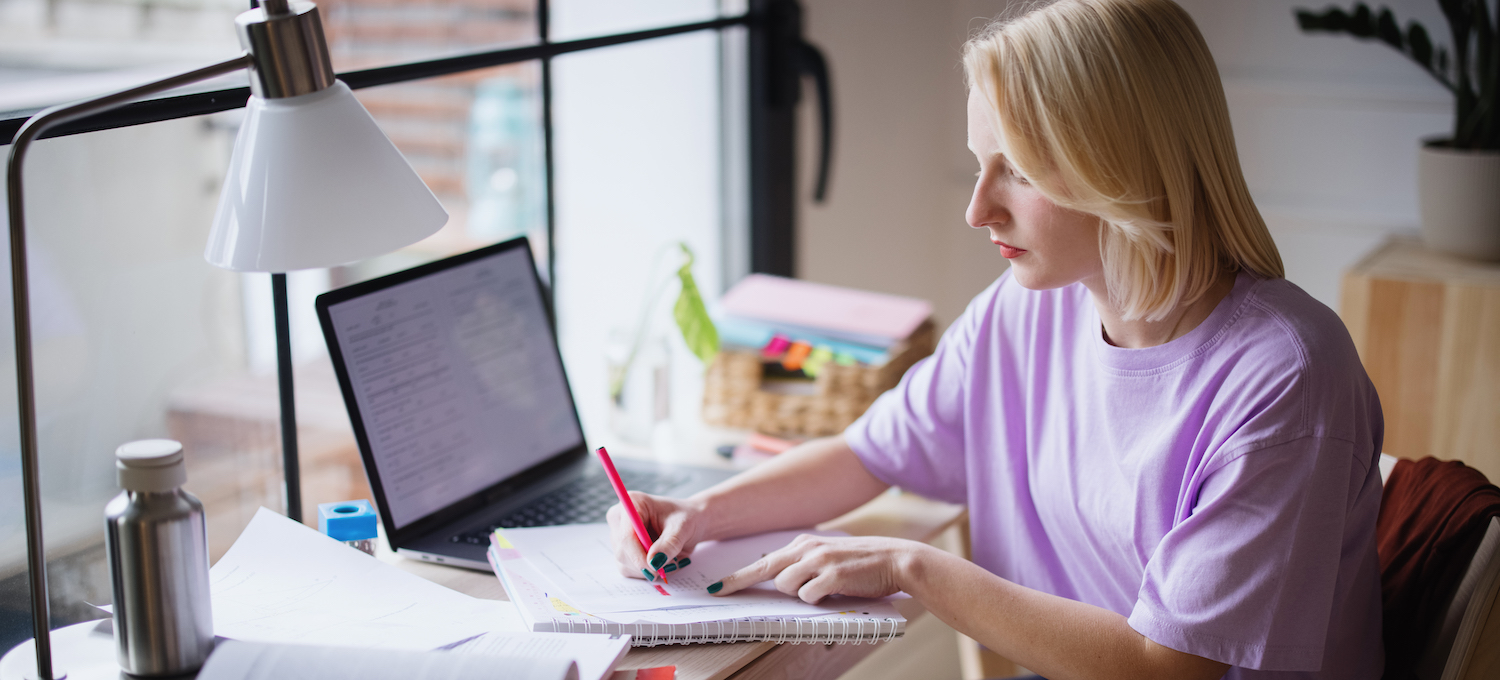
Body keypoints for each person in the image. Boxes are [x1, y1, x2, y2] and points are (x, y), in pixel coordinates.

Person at [606, 1, 1384, 678]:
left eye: (1020, 172)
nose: (978, 210)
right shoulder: (1023, 313)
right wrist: (699, 516)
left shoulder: (1286, 377)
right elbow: (867, 455)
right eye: (982, 166)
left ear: (1126, 170)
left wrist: (916, 568)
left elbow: (1165, 666)